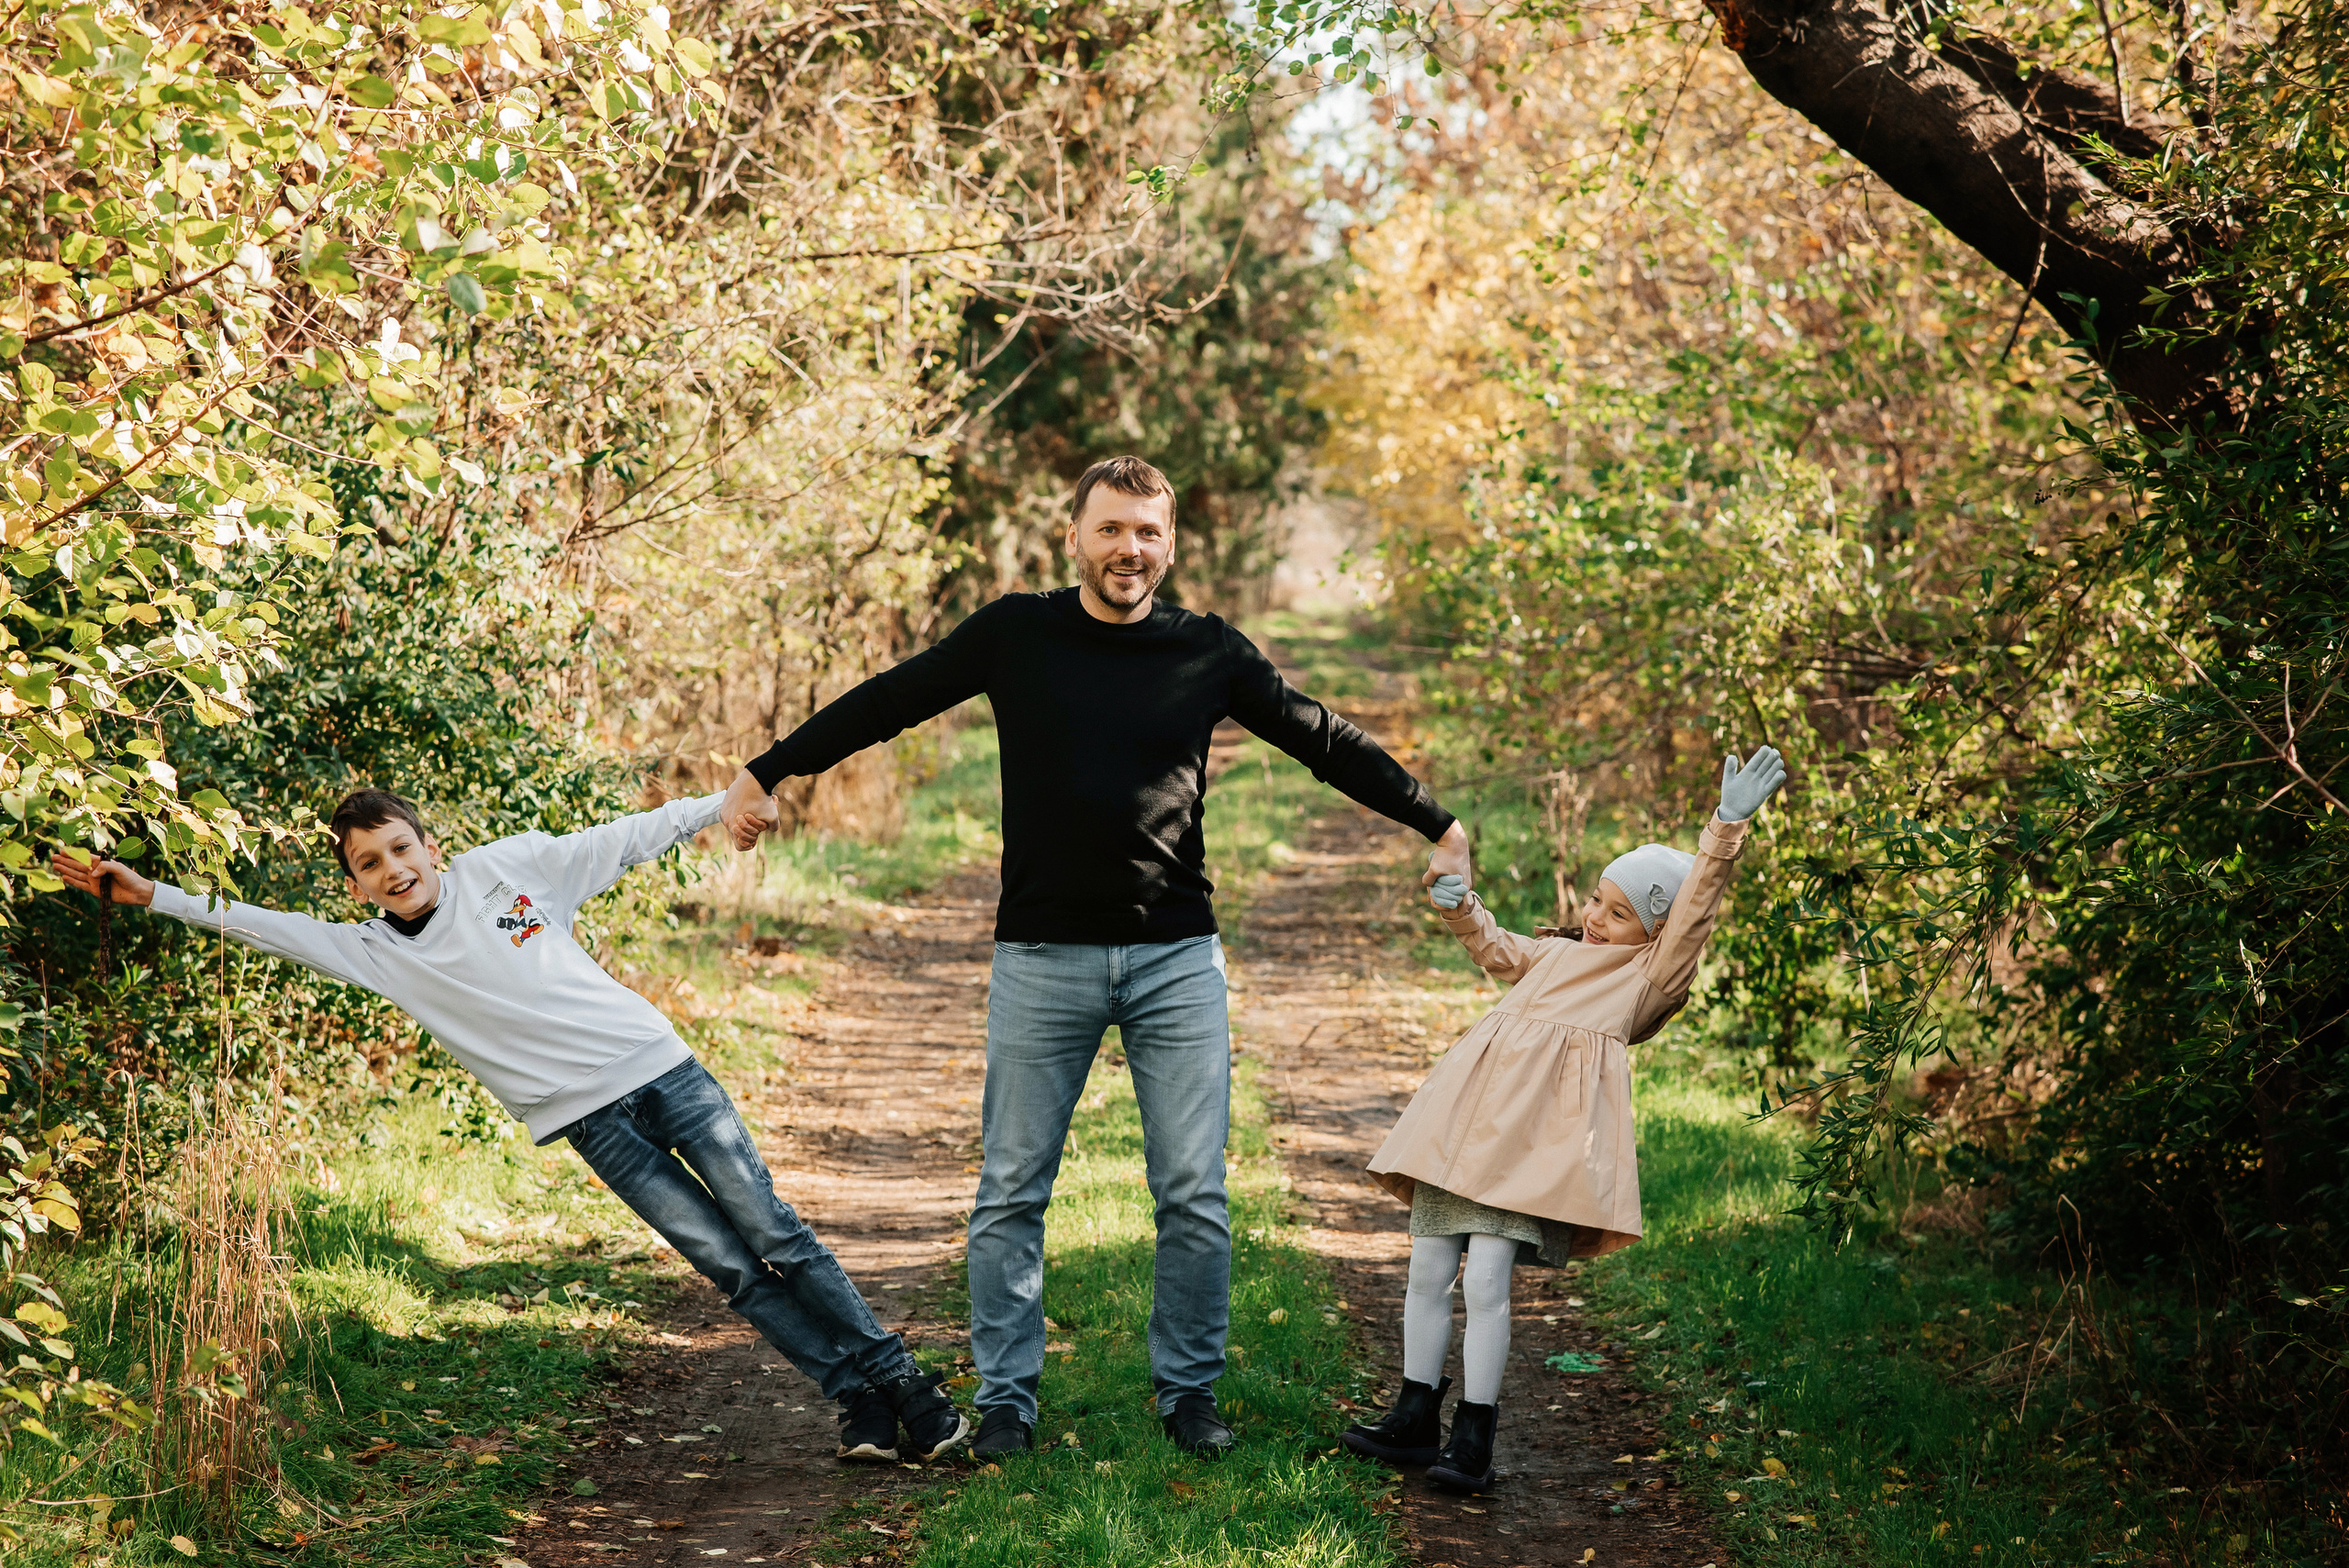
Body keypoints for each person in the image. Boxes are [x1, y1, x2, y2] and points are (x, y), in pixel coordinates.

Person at [717, 455, 1473, 1460]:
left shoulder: (1206, 650)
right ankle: (1006, 1402)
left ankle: (1189, 1395)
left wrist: (1436, 821)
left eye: (1148, 532)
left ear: (1169, 543)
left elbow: (1319, 736)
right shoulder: (1015, 633)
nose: (1130, 550)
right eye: (1111, 529)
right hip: (1040, 956)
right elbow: (890, 698)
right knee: (1010, 1190)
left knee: (1194, 1191)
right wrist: (769, 767)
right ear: (1074, 536)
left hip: (1175, 959)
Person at [54, 787, 967, 1467]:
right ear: (357, 882)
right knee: (729, 1267)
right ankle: (856, 1400)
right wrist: (154, 894)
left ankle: (909, 1392)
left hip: (663, 1071)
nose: (393, 869)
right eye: (370, 863)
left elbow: (627, 836)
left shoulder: (510, 870)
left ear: (431, 845)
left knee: (777, 1234)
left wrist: (721, 799)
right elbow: (264, 925)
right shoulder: (370, 950)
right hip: (590, 1124)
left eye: (401, 848)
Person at [1343, 746, 1788, 1493]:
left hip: (1531, 1152)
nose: (1597, 920)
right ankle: (1413, 1414)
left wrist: (1726, 829)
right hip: (1463, 1130)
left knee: (1485, 1279)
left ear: (1654, 932)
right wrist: (1461, 905)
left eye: (1621, 914)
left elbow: (1695, 914)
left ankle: (1473, 1436)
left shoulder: (1645, 982)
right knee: (1426, 1264)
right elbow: (1495, 947)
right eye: (1596, 900)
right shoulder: (1556, 954)